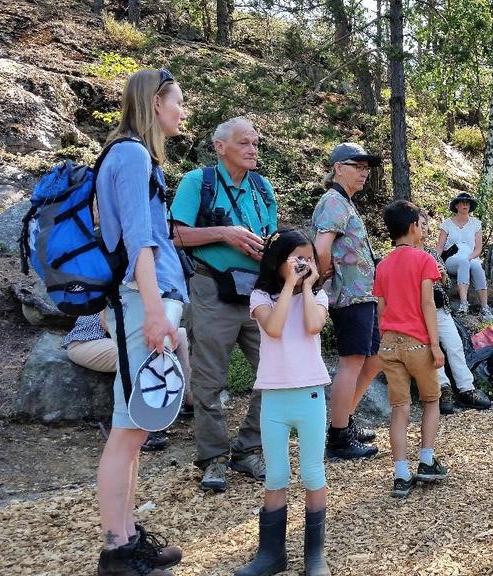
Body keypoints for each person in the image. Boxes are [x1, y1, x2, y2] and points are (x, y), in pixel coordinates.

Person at [93, 67, 187, 576]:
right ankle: (115, 549)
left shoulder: (133, 156)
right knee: (128, 430)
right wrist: (153, 310)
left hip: (142, 300)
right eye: (177, 101)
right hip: (137, 301)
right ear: (155, 103)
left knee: (136, 428)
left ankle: (129, 539)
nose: (182, 110)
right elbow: (137, 241)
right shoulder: (129, 155)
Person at [171, 117, 277, 492]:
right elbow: (176, 235)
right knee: (209, 379)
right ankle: (213, 458)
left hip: (258, 295)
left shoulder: (262, 188)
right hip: (212, 288)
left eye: (256, 143)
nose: (253, 150)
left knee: (276, 372)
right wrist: (225, 233)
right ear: (220, 146)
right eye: (245, 143)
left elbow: (271, 237)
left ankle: (248, 448)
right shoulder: (197, 183)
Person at [237, 229, 330, 576]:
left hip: (309, 394)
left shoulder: (319, 296)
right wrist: (289, 285)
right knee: (275, 475)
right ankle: (270, 554)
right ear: (278, 260)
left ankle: (315, 556)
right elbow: (274, 329)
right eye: (296, 258)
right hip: (273, 397)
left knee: (312, 473)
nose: (303, 264)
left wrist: (306, 286)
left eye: (308, 258)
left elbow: (312, 326)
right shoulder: (261, 296)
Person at [312, 142, 382, 460]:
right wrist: (322, 280)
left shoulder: (345, 202)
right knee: (352, 362)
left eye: (367, 168)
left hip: (364, 295)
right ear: (339, 168)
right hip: (350, 296)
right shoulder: (333, 201)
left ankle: (345, 420)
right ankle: (338, 437)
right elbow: (322, 247)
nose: (364, 173)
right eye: (358, 166)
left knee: (373, 359)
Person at [373, 200, 448, 498]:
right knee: (431, 399)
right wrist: (434, 344)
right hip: (419, 343)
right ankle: (427, 460)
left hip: (389, 345)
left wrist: (387, 337)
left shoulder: (383, 264)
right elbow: (428, 304)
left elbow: (381, 307)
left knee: (400, 408)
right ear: (414, 227)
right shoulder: (424, 260)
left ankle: (401, 474)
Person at [63, 313, 194, 451]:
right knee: (140, 352)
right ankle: (144, 424)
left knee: (179, 334)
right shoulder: (127, 292)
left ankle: (191, 401)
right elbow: (108, 323)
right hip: (88, 342)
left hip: (116, 340)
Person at [416, 211, 493, 414]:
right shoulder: (408, 254)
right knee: (432, 350)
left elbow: (447, 282)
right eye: (419, 224)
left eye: (425, 224)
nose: (423, 228)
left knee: (455, 345)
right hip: (420, 311)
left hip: (441, 308)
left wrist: (442, 277)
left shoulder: (432, 253)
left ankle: (467, 389)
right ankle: (443, 390)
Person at [437, 192, 493, 320]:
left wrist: (469, 258)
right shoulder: (447, 224)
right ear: (456, 205)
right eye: (462, 202)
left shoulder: (476, 224)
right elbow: (440, 246)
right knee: (463, 263)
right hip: (453, 258)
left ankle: (485, 307)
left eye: (467, 202)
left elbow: (478, 248)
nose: (465, 205)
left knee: (477, 267)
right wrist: (435, 260)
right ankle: (463, 304)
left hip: (471, 256)